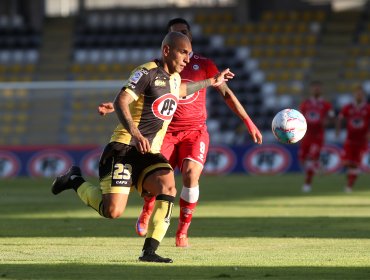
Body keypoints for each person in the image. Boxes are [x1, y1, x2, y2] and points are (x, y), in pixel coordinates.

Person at [51, 31, 234, 263]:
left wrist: (211, 81)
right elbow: (122, 100)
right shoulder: (146, 72)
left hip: (148, 152)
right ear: (167, 51)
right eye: (183, 52)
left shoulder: (176, 78)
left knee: (168, 186)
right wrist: (135, 133)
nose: (188, 58)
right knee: (113, 211)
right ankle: (74, 179)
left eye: (190, 53)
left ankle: (149, 251)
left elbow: (181, 91)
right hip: (124, 148)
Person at [99, 18, 262, 247]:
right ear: (168, 45)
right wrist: (115, 104)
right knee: (155, 181)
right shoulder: (160, 70)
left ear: (190, 37)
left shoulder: (203, 65)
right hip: (164, 133)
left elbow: (223, 93)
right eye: (176, 36)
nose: (184, 49)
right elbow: (148, 94)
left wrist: (248, 121)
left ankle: (183, 230)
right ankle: (147, 210)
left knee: (190, 175)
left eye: (185, 33)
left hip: (195, 131)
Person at [298, 80, 335, 193]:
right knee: (303, 160)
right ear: (311, 89)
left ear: (321, 89)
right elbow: (298, 117)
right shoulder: (305, 104)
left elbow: (332, 117)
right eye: (314, 88)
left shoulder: (326, 105)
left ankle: (307, 184)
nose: (316, 90)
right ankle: (318, 165)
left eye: (318, 88)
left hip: (318, 136)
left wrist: (327, 121)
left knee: (310, 158)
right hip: (306, 135)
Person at [335, 85, 370, 193]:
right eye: (357, 93)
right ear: (354, 95)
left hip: (362, 141)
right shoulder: (348, 107)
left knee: (355, 163)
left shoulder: (368, 108)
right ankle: (350, 182)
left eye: (360, 93)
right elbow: (340, 118)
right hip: (350, 140)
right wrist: (338, 130)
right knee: (347, 162)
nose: (358, 95)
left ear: (363, 95)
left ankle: (349, 186)